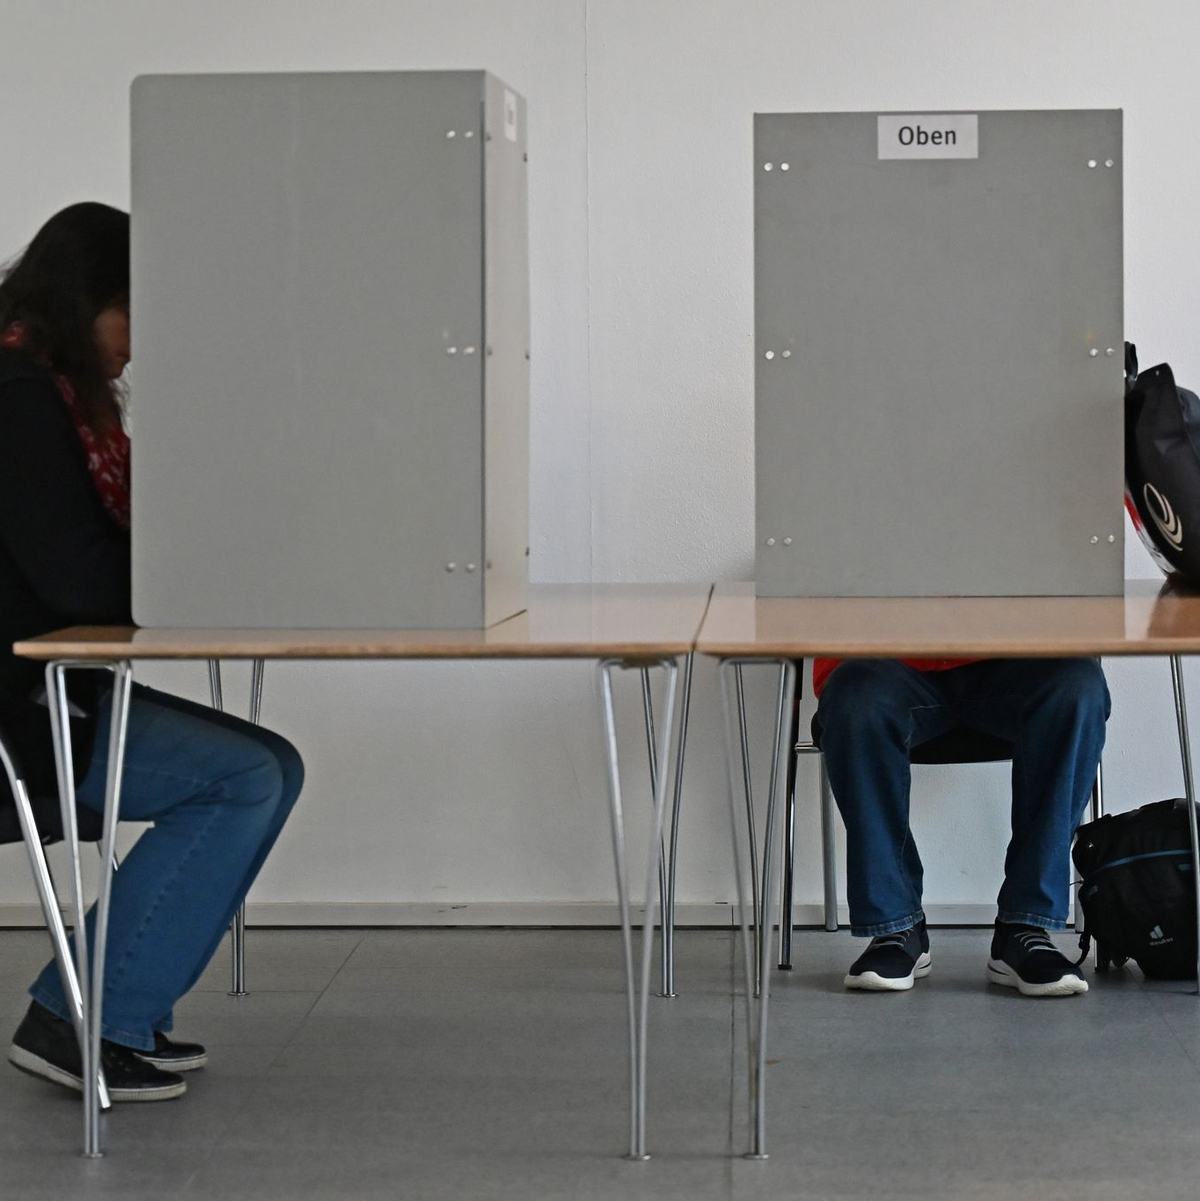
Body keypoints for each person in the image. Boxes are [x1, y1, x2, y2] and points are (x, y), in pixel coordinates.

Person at [0, 203, 304, 1099]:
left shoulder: (40, 391)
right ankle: (81, 1017)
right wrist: (190, 567)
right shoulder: (17, 397)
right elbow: (79, 578)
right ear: (84, 301)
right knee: (246, 776)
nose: (138, 343)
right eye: (133, 314)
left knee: (270, 765)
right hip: (21, 708)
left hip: (49, 688)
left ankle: (98, 1003)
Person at [814, 654, 1108, 997]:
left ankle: (1025, 925)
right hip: (889, 665)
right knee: (854, 696)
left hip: (1019, 662)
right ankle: (897, 926)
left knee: (1079, 684)